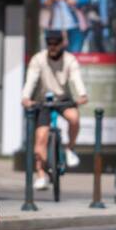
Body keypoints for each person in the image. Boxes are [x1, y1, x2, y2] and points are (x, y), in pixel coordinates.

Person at [21, 29, 89, 190]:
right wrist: (25, 98)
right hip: (43, 101)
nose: (52, 46)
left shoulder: (69, 60)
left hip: (63, 99)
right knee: (41, 138)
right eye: (49, 43)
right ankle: (41, 174)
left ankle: (70, 149)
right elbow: (31, 79)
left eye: (56, 43)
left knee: (74, 118)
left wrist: (82, 94)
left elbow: (76, 78)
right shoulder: (38, 59)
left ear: (62, 44)